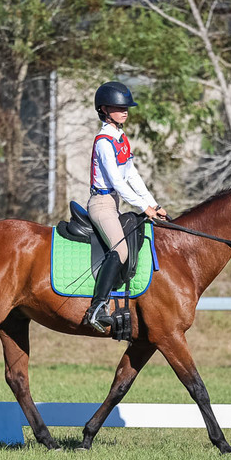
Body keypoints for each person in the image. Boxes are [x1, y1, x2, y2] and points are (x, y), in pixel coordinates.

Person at [84, 81, 168, 331]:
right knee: (120, 250)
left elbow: (132, 175)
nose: (125, 110)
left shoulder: (120, 138)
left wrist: (153, 203)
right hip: (101, 203)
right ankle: (97, 308)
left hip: (114, 203)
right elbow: (117, 182)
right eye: (119, 107)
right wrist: (143, 208)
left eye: (126, 106)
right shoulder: (103, 141)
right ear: (104, 110)